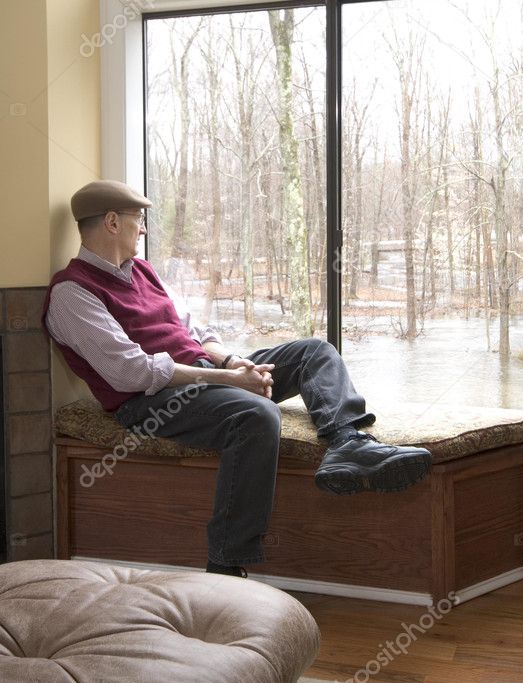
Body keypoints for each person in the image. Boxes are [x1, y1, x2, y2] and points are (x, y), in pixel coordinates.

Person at [43, 180, 432, 577]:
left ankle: (348, 443)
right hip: (150, 400)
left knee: (313, 351)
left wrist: (235, 363)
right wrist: (228, 380)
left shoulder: (142, 270)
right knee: (257, 416)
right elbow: (132, 372)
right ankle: (226, 563)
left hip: (201, 372)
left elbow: (193, 331)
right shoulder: (72, 292)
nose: (142, 228)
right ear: (112, 221)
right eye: (137, 219)